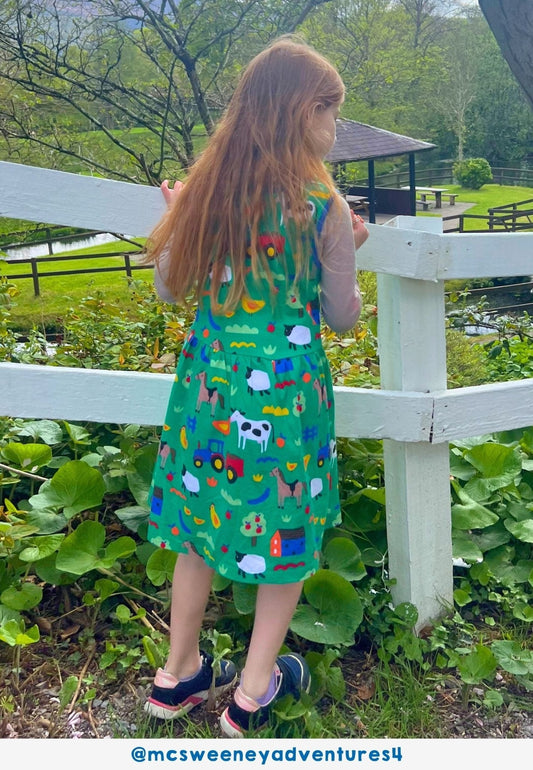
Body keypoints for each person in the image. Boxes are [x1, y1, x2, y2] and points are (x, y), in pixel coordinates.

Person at [143, 35, 368, 738]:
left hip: (209, 389)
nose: (334, 132)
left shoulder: (207, 193)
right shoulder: (321, 206)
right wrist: (345, 249)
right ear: (308, 113)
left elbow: (168, 287)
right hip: (286, 400)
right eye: (332, 115)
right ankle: (251, 689)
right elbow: (342, 318)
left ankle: (176, 674)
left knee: (195, 528)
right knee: (286, 531)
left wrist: (178, 215)